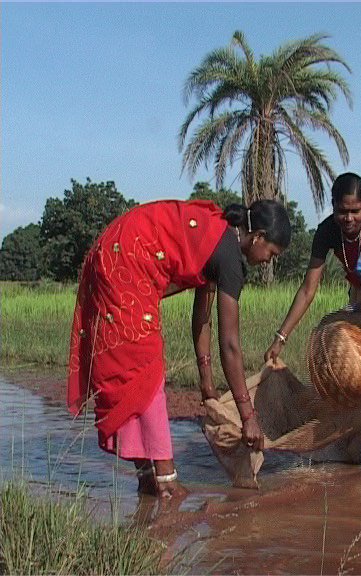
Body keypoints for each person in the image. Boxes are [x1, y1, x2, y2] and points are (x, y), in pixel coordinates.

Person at [67, 198, 291, 498]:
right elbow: (230, 344)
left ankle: (148, 477)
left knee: (136, 368)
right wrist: (248, 417)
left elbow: (202, 319)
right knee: (143, 368)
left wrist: (206, 382)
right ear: (259, 237)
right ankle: (168, 480)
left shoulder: (220, 236)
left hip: (117, 247)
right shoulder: (229, 258)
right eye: (271, 253)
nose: (268, 260)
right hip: (127, 259)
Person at [264, 173, 361, 469]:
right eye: (342, 211)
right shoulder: (327, 232)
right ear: (333, 207)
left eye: (355, 211)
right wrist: (281, 337)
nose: (348, 218)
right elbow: (308, 289)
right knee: (356, 374)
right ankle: (355, 444)